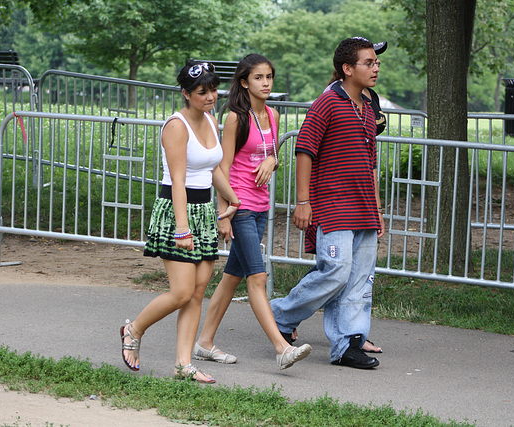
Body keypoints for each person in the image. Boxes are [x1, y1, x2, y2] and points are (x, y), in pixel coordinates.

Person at [120, 60, 241, 383]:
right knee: (182, 292)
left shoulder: (211, 120)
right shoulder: (176, 126)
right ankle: (133, 330)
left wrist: (233, 198)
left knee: (198, 291)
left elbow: (213, 167)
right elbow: (177, 181)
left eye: (214, 89)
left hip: (203, 212)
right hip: (178, 211)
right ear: (186, 94)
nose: (211, 96)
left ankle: (183, 365)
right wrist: (181, 227)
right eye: (202, 92)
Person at [269, 37, 386, 369]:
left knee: (359, 280)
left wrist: (377, 210)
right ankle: (279, 314)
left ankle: (347, 344)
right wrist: (303, 201)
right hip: (334, 208)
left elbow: (370, 164)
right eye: (369, 62)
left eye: (376, 63)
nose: (376, 67)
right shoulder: (327, 103)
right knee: (336, 272)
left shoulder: (366, 108)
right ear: (348, 69)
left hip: (364, 209)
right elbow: (304, 149)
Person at [193, 54, 312, 370]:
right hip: (240, 206)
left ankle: (204, 343)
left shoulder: (272, 115)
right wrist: (224, 212)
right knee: (257, 278)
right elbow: (223, 165)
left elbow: (271, 154)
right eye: (259, 77)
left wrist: (274, 161)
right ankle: (281, 347)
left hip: (261, 207)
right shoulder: (235, 116)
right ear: (244, 82)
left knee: (232, 277)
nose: (266, 83)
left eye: (269, 77)